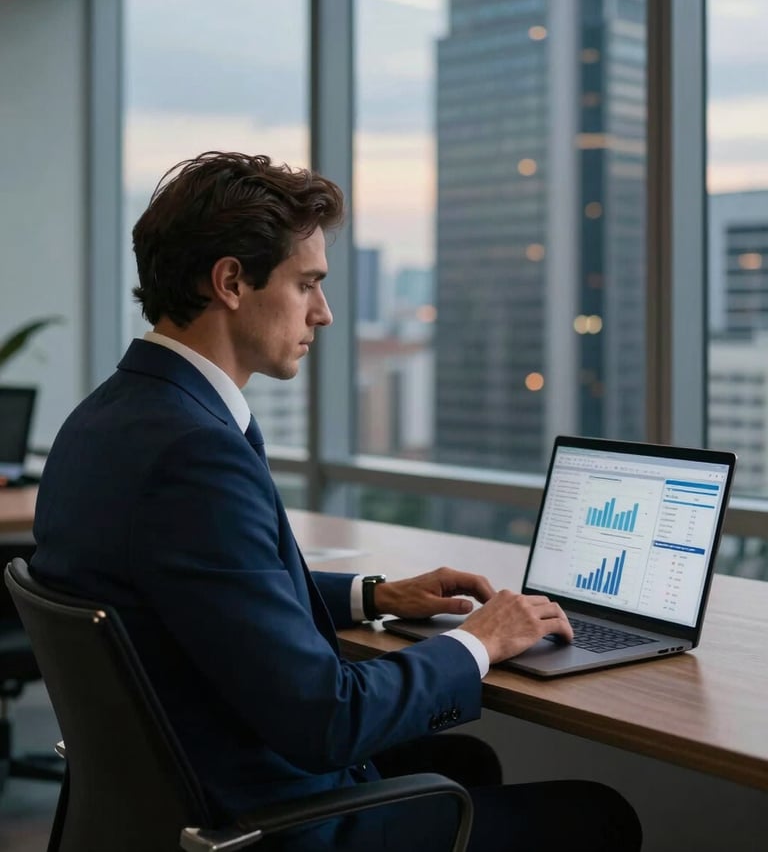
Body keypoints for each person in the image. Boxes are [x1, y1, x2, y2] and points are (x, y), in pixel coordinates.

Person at [32, 151, 641, 851]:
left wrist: (373, 595)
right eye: (307, 284)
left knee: (463, 764)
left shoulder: (106, 418)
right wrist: (482, 638)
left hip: (174, 795)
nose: (323, 313)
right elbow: (328, 720)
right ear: (231, 280)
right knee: (598, 813)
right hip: (260, 821)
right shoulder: (193, 452)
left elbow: (203, 587)